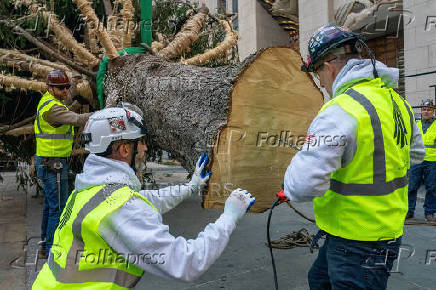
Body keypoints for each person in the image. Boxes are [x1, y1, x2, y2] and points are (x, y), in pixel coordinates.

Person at [33, 104, 255, 289]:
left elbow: (147, 199)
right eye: (140, 142)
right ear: (123, 149)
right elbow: (187, 263)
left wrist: (191, 186)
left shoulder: (90, 189)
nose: (145, 147)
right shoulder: (122, 208)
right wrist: (229, 218)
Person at [280, 24, 425, 289]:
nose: (320, 83)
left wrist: (288, 179)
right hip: (385, 231)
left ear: (329, 66)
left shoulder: (339, 110)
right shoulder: (397, 102)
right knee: (318, 279)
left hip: (355, 239)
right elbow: (416, 154)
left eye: (317, 74)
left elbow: (301, 186)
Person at [34, 69, 92, 258]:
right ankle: (53, 251)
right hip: (53, 164)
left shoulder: (51, 102)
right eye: (61, 88)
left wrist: (74, 83)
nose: (65, 90)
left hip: (49, 161)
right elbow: (75, 119)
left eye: (67, 87)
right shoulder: (52, 108)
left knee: (51, 207)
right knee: (58, 208)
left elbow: (67, 106)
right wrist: (105, 113)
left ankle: (45, 245)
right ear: (50, 88)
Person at [407, 99, 436, 221]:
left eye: (429, 109)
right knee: (412, 186)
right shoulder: (415, 124)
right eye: (424, 109)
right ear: (421, 111)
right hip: (416, 160)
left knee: (431, 188)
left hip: (432, 161)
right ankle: (409, 211)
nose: (426, 111)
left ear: (433, 111)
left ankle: (429, 213)